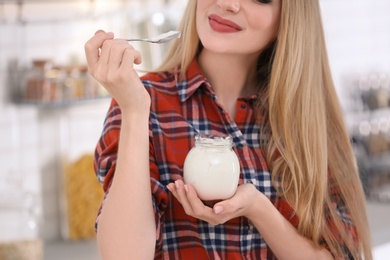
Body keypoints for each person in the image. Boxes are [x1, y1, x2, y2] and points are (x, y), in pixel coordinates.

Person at [84, 0, 372, 259]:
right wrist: (134, 111)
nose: (227, 3)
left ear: (289, 18)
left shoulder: (307, 119)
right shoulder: (141, 100)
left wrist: (257, 207)